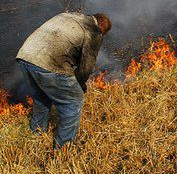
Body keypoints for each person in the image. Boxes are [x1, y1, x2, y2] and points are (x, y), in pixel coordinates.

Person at [16, 12, 112, 148]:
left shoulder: (71, 15)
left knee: (41, 96)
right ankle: (63, 149)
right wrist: (79, 86)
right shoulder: (94, 30)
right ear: (102, 29)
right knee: (73, 102)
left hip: (25, 56)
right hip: (48, 63)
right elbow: (86, 67)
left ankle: (36, 135)